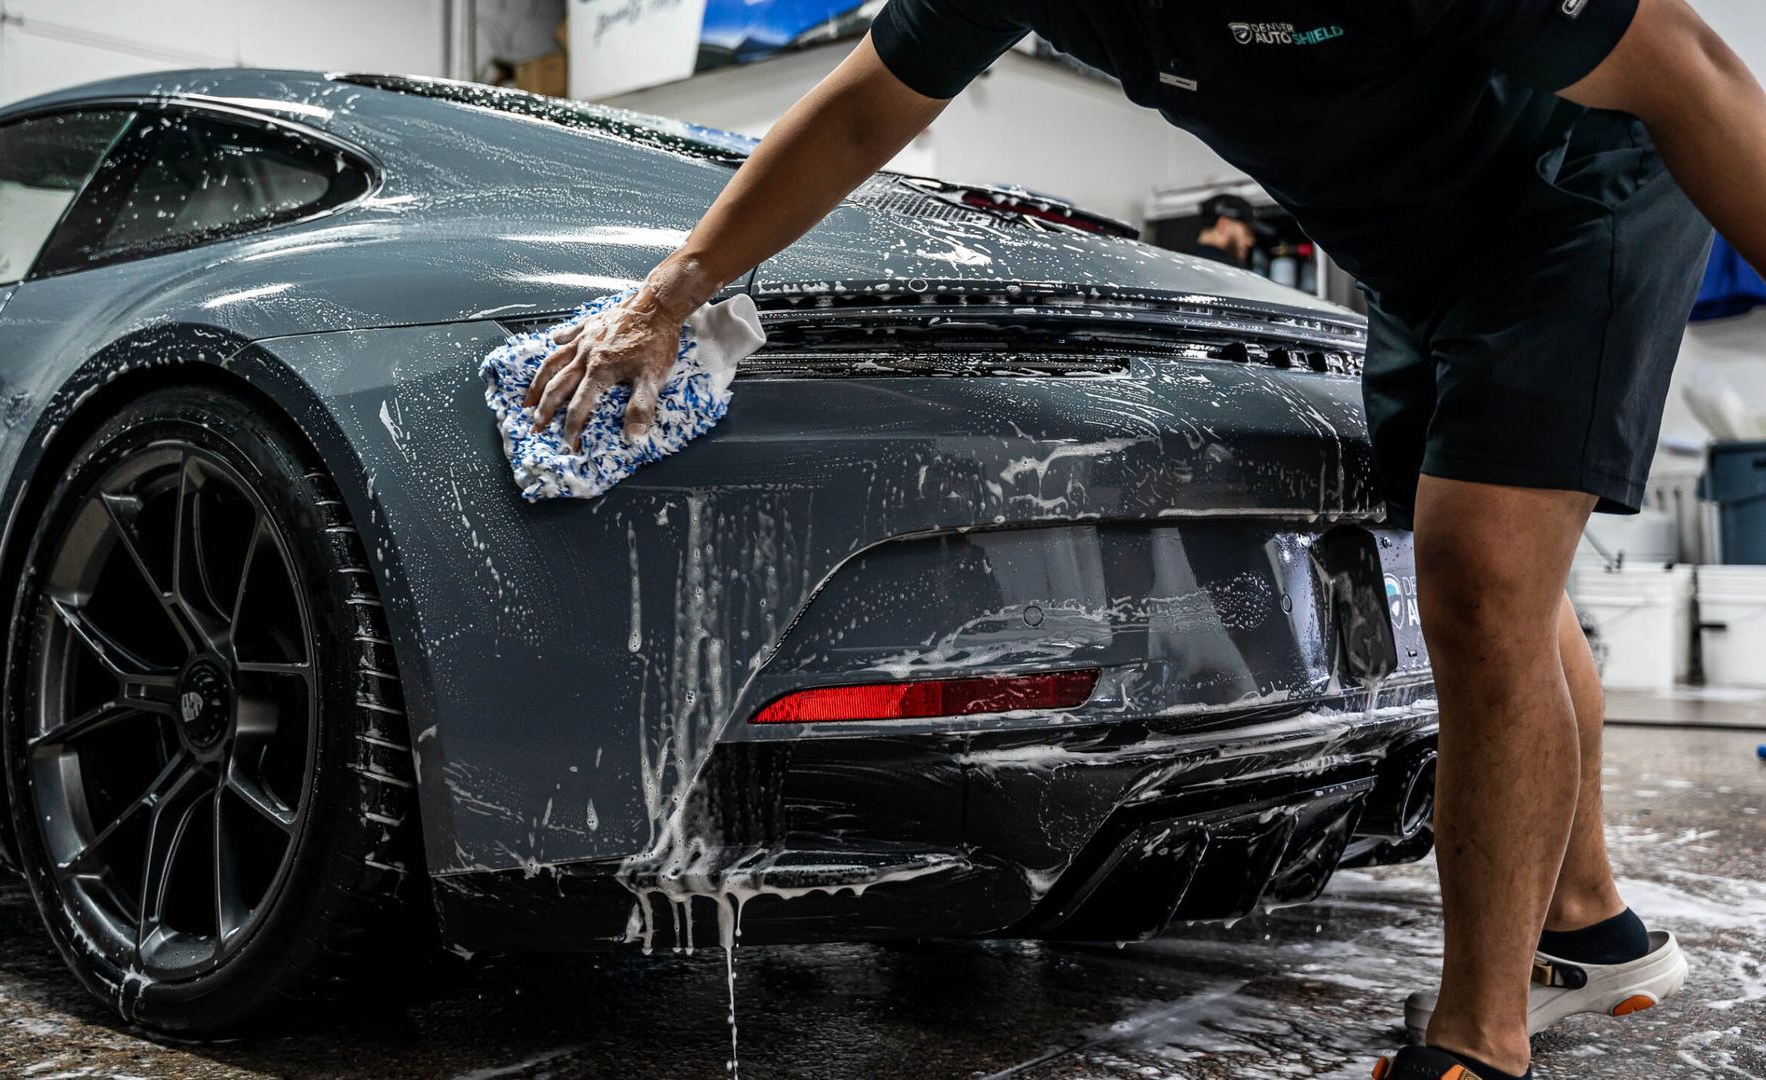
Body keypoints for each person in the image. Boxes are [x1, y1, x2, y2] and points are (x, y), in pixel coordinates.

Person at [521, 1, 1766, 1075]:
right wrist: (669, 294)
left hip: (1570, 201)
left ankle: (1480, 1039)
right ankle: (1589, 928)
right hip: (1414, 253)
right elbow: (859, 113)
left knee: (1483, 572)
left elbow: (1694, 71)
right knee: (1495, 586)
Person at [1190, 192, 1271, 268]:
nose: (1251, 242)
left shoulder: (1187, 263)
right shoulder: (1227, 269)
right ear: (1224, 224)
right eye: (1247, 232)